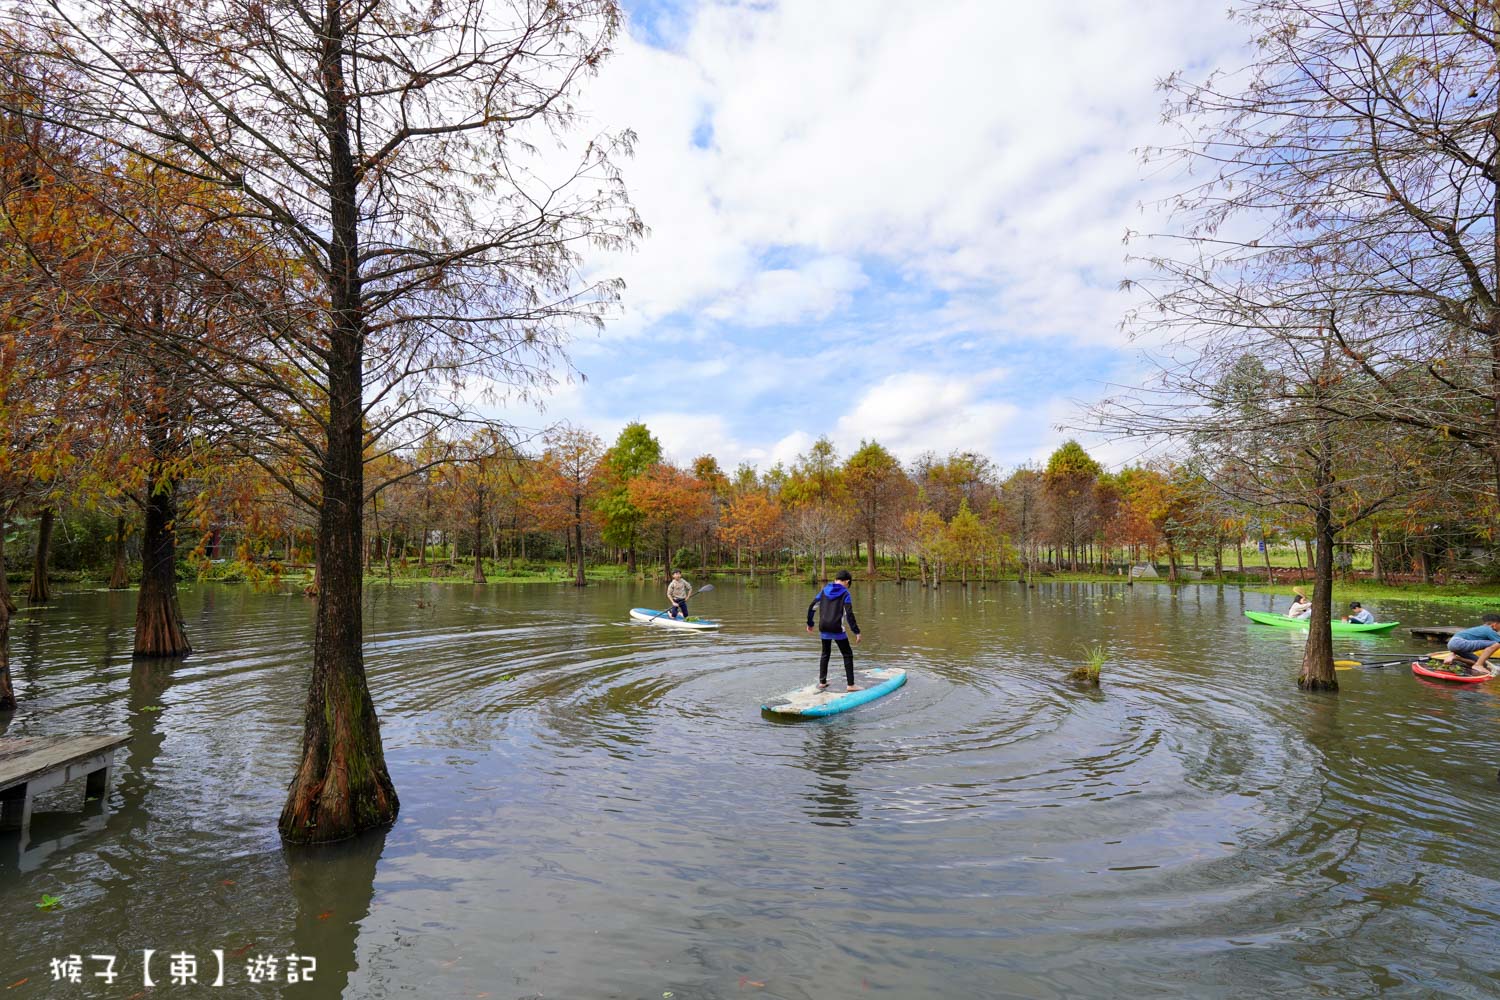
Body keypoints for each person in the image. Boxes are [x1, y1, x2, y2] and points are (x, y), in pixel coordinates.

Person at [806, 570, 862, 691]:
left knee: (825, 654)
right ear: (847, 581)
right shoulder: (845, 593)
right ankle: (851, 685)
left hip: (824, 627)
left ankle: (822, 682)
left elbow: (812, 607)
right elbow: (849, 614)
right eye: (849, 584)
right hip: (837, 629)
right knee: (847, 654)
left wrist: (810, 623)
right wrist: (856, 631)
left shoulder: (824, 590)